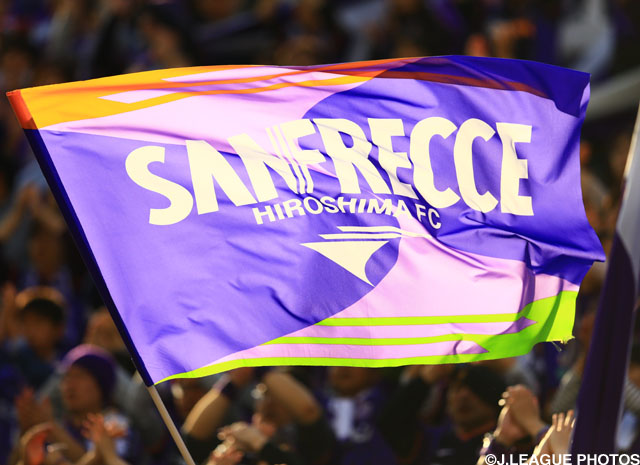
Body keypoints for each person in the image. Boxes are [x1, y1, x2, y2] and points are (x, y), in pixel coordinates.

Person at [183, 367, 334, 465]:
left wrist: (260, 443)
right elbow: (192, 437)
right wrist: (233, 383)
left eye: (279, 397)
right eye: (264, 393)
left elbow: (308, 410)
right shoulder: (236, 436)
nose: (269, 402)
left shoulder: (309, 442)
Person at [379, 364, 506, 465]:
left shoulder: (505, 444)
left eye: (476, 389)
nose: (463, 396)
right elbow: (391, 422)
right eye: (456, 387)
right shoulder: (430, 440)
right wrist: (425, 380)